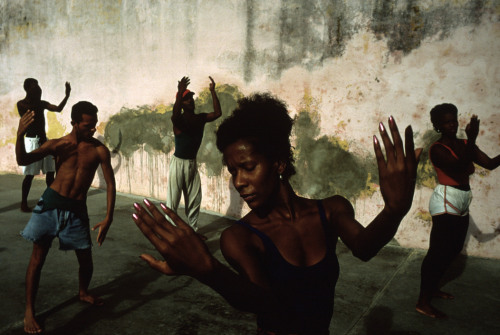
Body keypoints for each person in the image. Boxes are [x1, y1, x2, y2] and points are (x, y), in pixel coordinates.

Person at [133, 93, 422, 334]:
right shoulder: (240, 237)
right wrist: (207, 270)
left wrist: (394, 211)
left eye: (248, 167)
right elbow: (265, 301)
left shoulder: (331, 210)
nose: (238, 181)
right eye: (232, 171)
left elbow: (364, 247)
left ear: (279, 164)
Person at [16, 101, 116, 334]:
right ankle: (29, 310)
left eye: (94, 125)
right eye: (88, 125)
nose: (93, 129)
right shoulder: (59, 145)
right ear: (74, 123)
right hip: (50, 205)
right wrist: (20, 136)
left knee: (86, 261)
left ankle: (83, 292)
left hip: (77, 209)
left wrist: (109, 217)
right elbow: (23, 160)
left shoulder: (99, 150)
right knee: (37, 259)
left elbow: (110, 184)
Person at [416, 103, 500, 319]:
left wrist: (471, 142)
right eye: (446, 122)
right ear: (437, 126)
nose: (451, 124)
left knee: (453, 250)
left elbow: (489, 164)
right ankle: (422, 301)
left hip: (463, 200)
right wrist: (472, 140)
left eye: (453, 119)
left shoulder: (464, 143)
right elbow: (460, 167)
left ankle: (433, 288)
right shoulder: (437, 149)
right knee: (437, 253)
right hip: (446, 201)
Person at [166, 76, 222, 230]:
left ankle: (193, 231)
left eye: (191, 98)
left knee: (195, 199)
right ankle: (170, 232)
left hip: (191, 163)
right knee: (173, 201)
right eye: (186, 99)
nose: (190, 101)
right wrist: (179, 92)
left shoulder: (200, 118)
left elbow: (218, 113)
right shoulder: (179, 121)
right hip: (178, 163)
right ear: (181, 104)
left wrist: (212, 91)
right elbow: (175, 115)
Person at [17, 78, 71, 212]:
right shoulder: (22, 104)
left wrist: (67, 96)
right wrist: (39, 101)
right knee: (29, 175)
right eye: (34, 86)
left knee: (50, 172)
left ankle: (51, 200)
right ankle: (24, 203)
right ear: (28, 89)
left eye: (38, 86)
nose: (38, 89)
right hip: (31, 141)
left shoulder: (40, 103)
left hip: (43, 140)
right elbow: (31, 109)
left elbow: (58, 109)